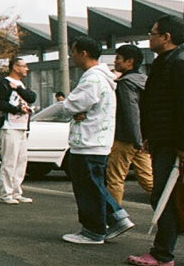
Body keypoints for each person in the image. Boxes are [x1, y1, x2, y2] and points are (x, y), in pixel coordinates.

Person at [127, 15, 184, 266]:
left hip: (175, 144)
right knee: (179, 197)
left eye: (153, 33)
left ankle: (162, 253)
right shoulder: (167, 62)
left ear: (166, 37)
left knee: (165, 196)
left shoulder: (180, 65)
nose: (149, 37)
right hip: (166, 141)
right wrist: (150, 137)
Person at [40, 37, 130, 244]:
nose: (72, 57)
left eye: (73, 52)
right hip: (98, 139)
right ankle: (114, 219)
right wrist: (77, 110)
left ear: (84, 53)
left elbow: (70, 105)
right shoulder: (104, 77)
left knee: (88, 187)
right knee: (95, 184)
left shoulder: (92, 78)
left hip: (88, 141)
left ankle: (95, 229)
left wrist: (75, 109)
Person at [105, 44, 153, 207]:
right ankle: (172, 211)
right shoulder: (145, 81)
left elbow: (131, 112)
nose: (115, 61)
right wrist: (142, 139)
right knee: (148, 180)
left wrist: (135, 138)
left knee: (115, 179)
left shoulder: (125, 83)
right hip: (142, 139)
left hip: (126, 138)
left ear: (129, 61)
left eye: (118, 58)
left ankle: (114, 217)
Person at [0, 57, 36, 204]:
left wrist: (18, 89)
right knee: (9, 161)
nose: (26, 69)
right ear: (15, 67)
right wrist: (15, 109)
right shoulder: (3, 84)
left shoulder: (20, 85)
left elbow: (31, 97)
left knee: (21, 161)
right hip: (9, 127)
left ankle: (17, 191)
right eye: (24, 66)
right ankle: (6, 193)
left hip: (22, 127)